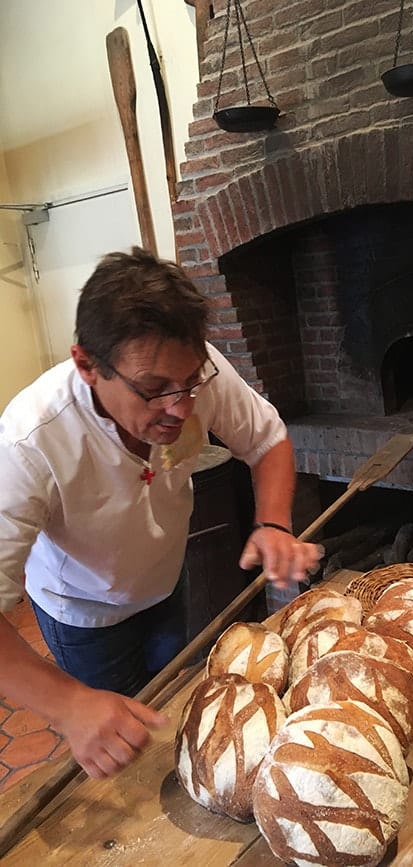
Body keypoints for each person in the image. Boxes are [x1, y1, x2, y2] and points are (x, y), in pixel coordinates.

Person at [0, 247, 322, 780]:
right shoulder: (28, 444)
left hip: (164, 580)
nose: (181, 407)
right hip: (86, 610)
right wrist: (69, 705)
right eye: (153, 391)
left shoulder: (193, 372)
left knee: (171, 704)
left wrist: (272, 522)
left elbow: (267, 439)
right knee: (120, 742)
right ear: (86, 365)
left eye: (191, 381)